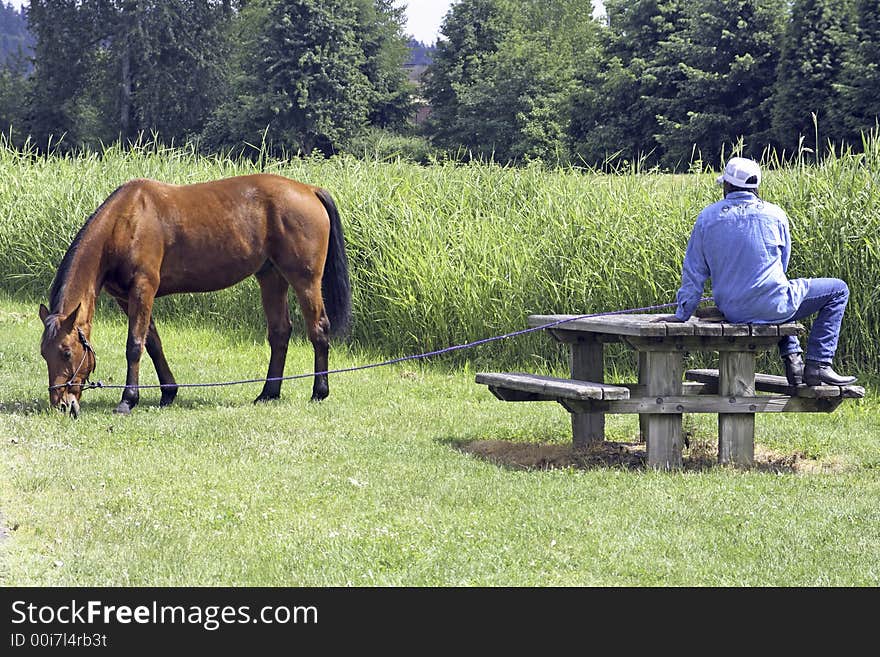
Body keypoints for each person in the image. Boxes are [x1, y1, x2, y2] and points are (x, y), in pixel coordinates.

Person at [672, 156, 856, 387]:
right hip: (774, 304)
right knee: (838, 290)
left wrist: (683, 313)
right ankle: (818, 364)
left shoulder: (707, 217)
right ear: (756, 187)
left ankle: (795, 363)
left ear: (727, 186)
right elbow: (781, 266)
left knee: (778, 297)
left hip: (733, 310)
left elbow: (693, 273)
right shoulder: (775, 214)